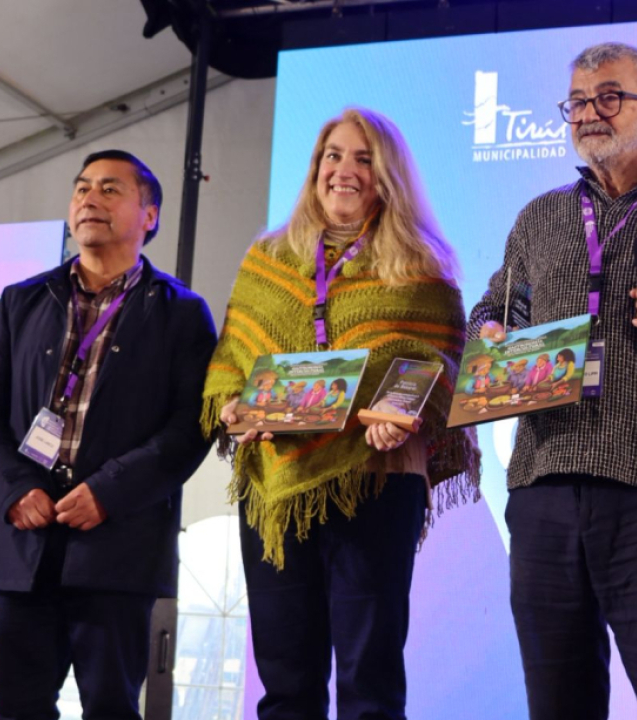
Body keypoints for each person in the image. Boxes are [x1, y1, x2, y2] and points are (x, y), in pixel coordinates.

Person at [470, 42, 637, 719]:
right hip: (544, 486)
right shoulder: (538, 217)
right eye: (578, 102)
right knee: (557, 703)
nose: (591, 112)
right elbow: (495, 307)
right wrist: (490, 334)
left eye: (610, 97)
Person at [201, 107, 479, 720]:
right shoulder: (268, 259)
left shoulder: (421, 264)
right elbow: (232, 358)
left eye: (363, 158)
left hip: (376, 480)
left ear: (388, 175)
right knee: (286, 684)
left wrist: (401, 412)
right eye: (332, 155)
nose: (343, 170)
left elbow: (438, 359)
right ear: (314, 168)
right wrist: (236, 408)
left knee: (368, 683)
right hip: (276, 488)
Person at [0, 150, 217, 719]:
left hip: (118, 542)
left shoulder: (182, 313)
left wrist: (110, 491)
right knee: (17, 704)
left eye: (110, 189)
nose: (90, 199)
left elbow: (193, 424)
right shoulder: (21, 301)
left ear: (150, 215)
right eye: (82, 188)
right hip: (23, 540)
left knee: (111, 706)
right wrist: (14, 488)